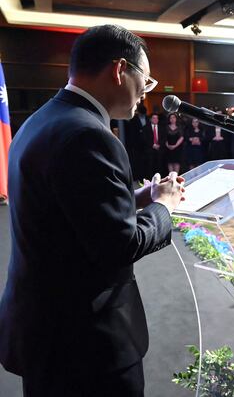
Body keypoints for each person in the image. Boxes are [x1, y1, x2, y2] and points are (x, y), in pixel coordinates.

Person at [0, 24, 185, 396]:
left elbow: (72, 214)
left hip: (44, 325)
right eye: (145, 82)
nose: (144, 95)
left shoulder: (44, 119)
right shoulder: (90, 135)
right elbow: (118, 245)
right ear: (120, 70)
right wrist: (164, 205)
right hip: (84, 343)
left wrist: (141, 197)